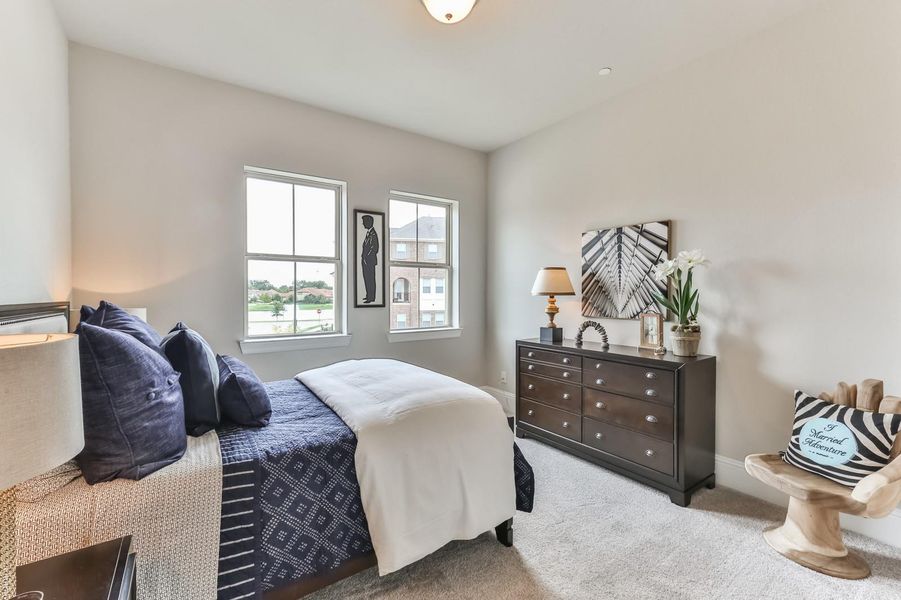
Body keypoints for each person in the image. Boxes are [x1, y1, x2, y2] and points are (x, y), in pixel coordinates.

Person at [361, 215, 379, 303]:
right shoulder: (368, 233)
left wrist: (366, 258)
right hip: (366, 261)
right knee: (366, 278)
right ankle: (368, 295)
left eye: (364, 222)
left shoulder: (373, 234)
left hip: (369, 261)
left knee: (370, 279)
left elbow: (374, 249)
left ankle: (371, 297)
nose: (362, 224)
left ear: (369, 222)